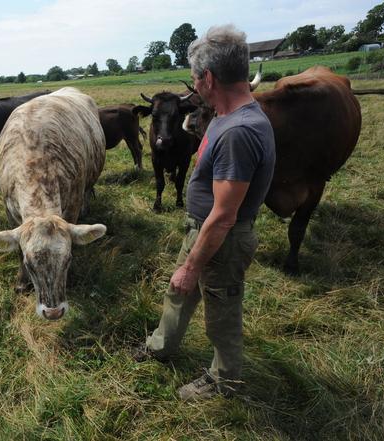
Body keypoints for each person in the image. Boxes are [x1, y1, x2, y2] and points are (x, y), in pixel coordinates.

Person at [138, 24, 276, 401]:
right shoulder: (227, 116)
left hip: (221, 238)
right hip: (203, 230)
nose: (194, 85)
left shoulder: (237, 132)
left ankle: (224, 380)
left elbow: (225, 215)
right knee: (178, 293)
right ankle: (161, 346)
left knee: (221, 312)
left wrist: (192, 265)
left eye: (196, 77)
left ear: (209, 78)